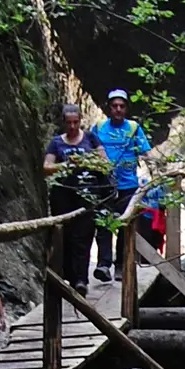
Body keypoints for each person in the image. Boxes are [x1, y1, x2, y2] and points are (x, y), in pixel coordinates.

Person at [43, 99, 110, 289]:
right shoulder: (56, 143)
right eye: (69, 123)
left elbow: (105, 164)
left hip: (87, 194)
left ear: (80, 120)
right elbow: (46, 167)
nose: (72, 126)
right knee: (65, 236)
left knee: (84, 236)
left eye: (75, 122)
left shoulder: (91, 138)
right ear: (64, 122)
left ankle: (81, 280)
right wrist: (66, 165)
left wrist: (86, 162)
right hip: (63, 195)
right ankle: (68, 276)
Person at [90, 89, 154, 275]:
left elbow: (146, 152)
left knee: (125, 226)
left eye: (122, 106)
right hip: (104, 184)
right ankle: (103, 264)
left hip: (128, 186)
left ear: (126, 108)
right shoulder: (99, 127)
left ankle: (120, 266)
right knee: (103, 224)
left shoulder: (133, 128)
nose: (118, 109)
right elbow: (90, 151)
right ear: (109, 108)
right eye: (114, 106)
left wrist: (157, 170)